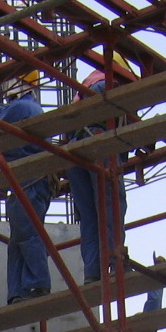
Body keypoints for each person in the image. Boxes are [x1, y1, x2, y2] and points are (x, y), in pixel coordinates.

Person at [65, 61, 130, 284]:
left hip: (75, 153)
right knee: (111, 206)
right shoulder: (110, 86)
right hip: (99, 145)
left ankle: (93, 271)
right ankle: (114, 262)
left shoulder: (81, 93)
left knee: (89, 218)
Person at [0, 71, 52, 305]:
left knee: (27, 234)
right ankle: (17, 291)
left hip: (29, 180)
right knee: (17, 239)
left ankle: (37, 283)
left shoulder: (23, 107)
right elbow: (1, 114)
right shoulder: (26, 108)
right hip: (24, 181)